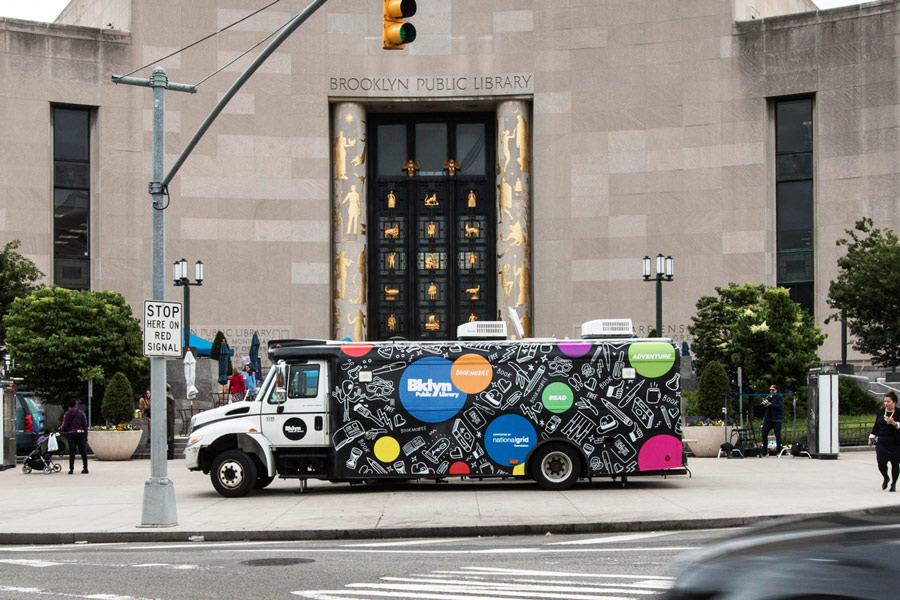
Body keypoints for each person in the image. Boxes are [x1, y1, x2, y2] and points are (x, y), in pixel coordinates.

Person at [869, 391, 900, 492]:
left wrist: (894, 423)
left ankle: (893, 483)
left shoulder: (899, 412)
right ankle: (886, 477)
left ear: (894, 402)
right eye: (885, 401)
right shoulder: (881, 411)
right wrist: (871, 437)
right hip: (882, 442)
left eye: (888, 401)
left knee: (895, 464)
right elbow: (876, 425)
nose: (886, 403)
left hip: (895, 443)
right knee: (881, 463)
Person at [60, 399, 88, 474]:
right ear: (75, 404)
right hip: (81, 433)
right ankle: (85, 468)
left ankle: (71, 469)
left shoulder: (67, 413)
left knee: (72, 452)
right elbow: (85, 425)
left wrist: (61, 429)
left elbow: (64, 425)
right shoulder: (81, 413)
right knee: (83, 451)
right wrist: (86, 435)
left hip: (71, 433)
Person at [760, 384, 784, 455]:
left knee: (777, 435)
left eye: (773, 390)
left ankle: (779, 449)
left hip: (776, 419)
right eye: (770, 390)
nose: (771, 391)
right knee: (764, 433)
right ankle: (764, 449)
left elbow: (779, 406)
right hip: (768, 418)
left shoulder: (779, 397)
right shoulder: (768, 397)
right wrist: (765, 403)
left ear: (776, 390)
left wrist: (771, 404)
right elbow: (764, 405)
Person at [166, 383, 176, 460]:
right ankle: (170, 454)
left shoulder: (167, 399)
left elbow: (169, 412)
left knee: (168, 438)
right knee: (170, 438)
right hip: (170, 421)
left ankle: (169, 454)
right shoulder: (171, 398)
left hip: (168, 421)